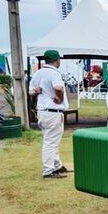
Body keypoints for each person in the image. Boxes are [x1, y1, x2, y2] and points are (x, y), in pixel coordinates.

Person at [28, 49, 69, 179]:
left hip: (42, 111)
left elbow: (30, 91)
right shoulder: (54, 73)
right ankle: (48, 170)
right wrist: (60, 98)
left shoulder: (38, 73)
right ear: (57, 61)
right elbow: (58, 88)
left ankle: (56, 165)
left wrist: (37, 90)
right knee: (51, 142)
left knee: (51, 140)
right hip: (53, 112)